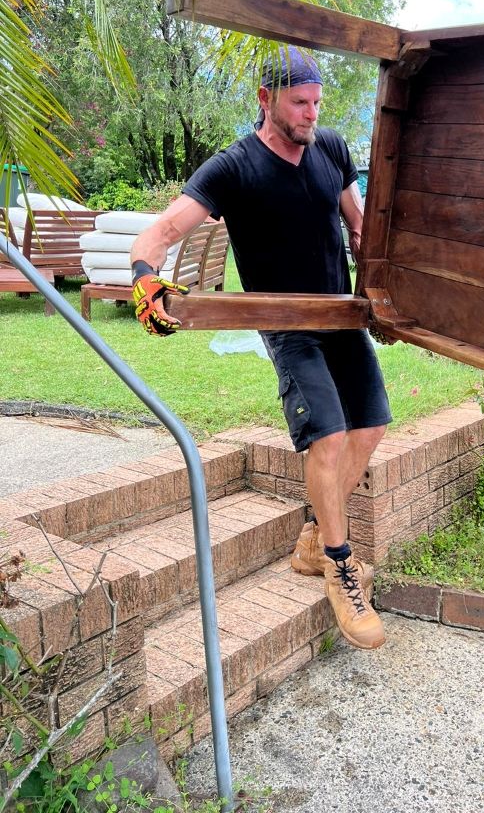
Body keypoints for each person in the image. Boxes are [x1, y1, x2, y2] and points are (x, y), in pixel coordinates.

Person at [130, 46, 392, 650]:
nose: (311, 113)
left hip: (340, 316)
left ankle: (311, 539)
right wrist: (146, 274)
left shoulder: (329, 148)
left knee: (372, 426)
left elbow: (355, 221)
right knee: (326, 434)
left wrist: (385, 266)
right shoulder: (234, 168)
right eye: (299, 103)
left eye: (317, 102)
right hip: (286, 324)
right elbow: (163, 230)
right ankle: (340, 565)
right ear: (265, 100)